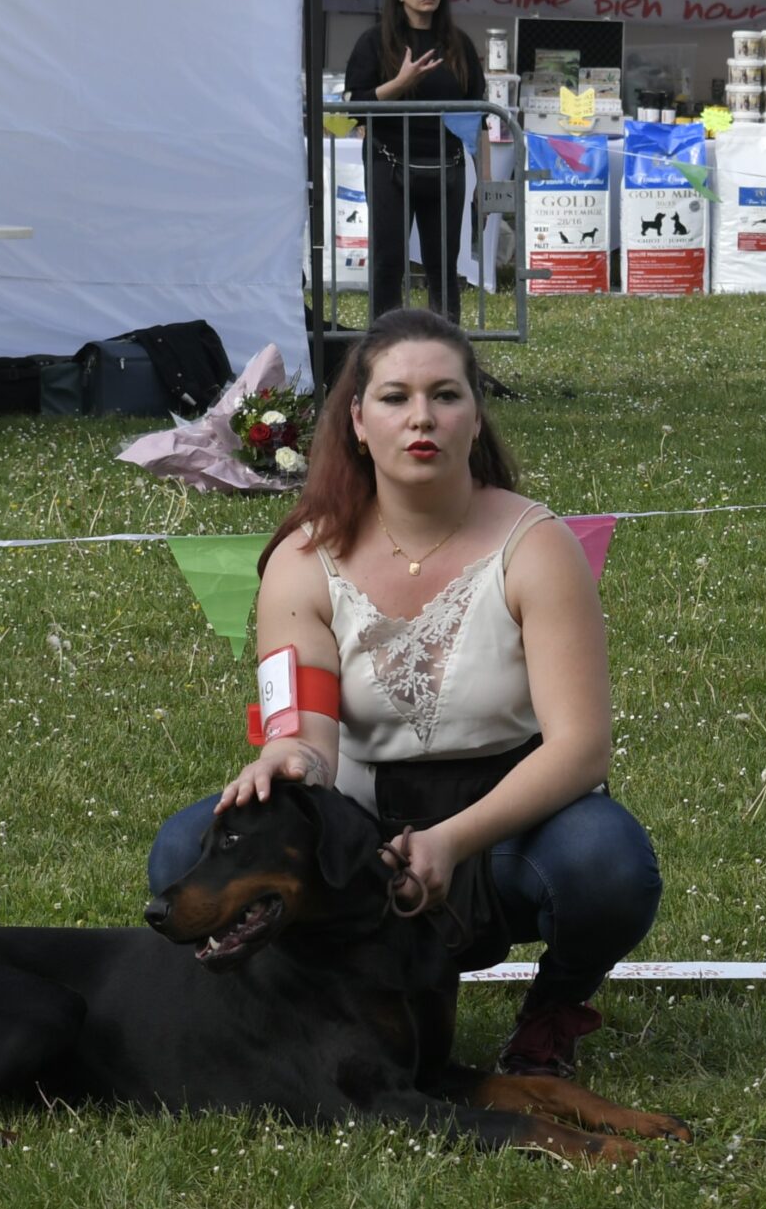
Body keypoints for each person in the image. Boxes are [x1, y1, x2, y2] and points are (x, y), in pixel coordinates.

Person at [146, 307, 661, 1079]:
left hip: (511, 824)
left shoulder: (538, 545)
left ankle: (553, 1013)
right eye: (395, 397)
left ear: (475, 415)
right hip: (355, 833)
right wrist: (287, 758)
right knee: (182, 850)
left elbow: (581, 748)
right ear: (358, 420)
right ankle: (309, 1006)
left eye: (445, 395)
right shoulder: (301, 558)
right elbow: (305, 734)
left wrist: (450, 840)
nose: (422, 417)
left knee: (607, 861)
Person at [344, 0, 485, 320]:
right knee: (388, 261)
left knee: (443, 264)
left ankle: (446, 343)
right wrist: (400, 83)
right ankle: (384, 343)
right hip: (388, 163)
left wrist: (484, 183)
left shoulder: (458, 44)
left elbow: (478, 116)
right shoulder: (374, 42)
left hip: (447, 166)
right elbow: (353, 105)